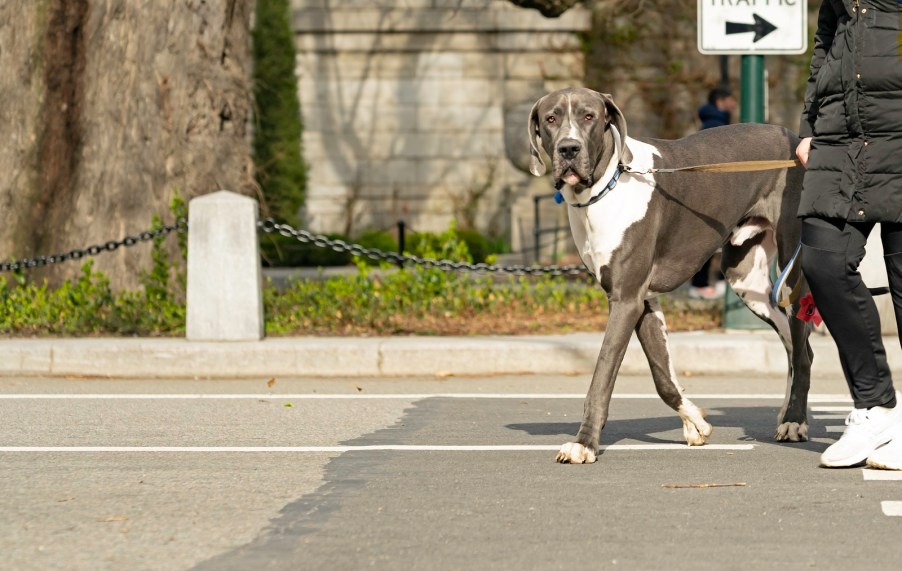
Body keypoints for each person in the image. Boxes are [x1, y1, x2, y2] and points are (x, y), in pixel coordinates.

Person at [795, 0, 902, 470]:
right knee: (823, 259)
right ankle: (875, 406)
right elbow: (825, 45)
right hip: (840, 140)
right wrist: (808, 127)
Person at [688, 87, 737, 300]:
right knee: (713, 236)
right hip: (714, 191)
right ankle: (704, 283)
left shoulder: (709, 123)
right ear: (721, 101)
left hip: (707, 191)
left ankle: (709, 282)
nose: (734, 103)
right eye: (730, 99)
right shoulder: (716, 126)